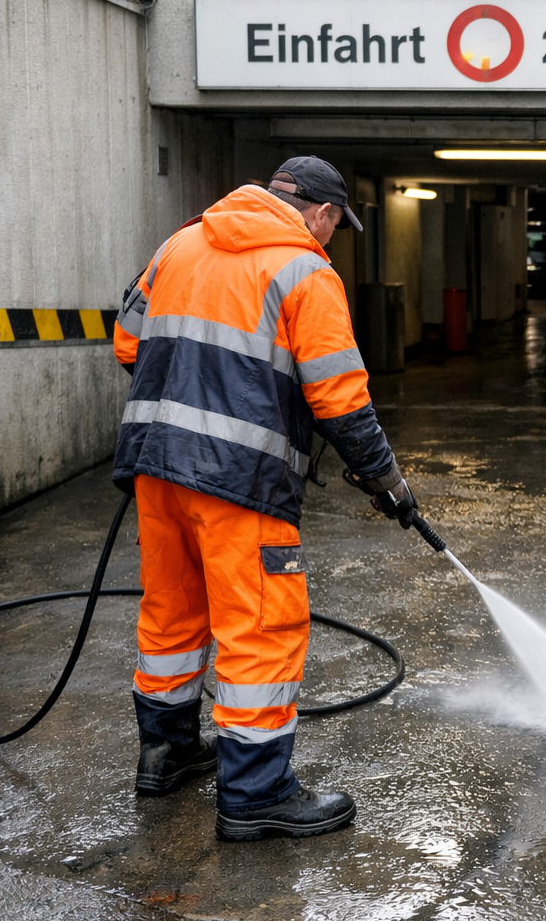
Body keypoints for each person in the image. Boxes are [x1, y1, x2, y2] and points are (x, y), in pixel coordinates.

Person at [112, 156, 415, 842]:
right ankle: (255, 793)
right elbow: (340, 398)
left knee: (172, 608)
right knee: (260, 628)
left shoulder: (178, 244)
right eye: (336, 226)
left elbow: (127, 342)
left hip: (155, 467)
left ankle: (167, 752)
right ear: (323, 212)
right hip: (240, 482)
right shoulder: (306, 271)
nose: (331, 237)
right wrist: (386, 481)